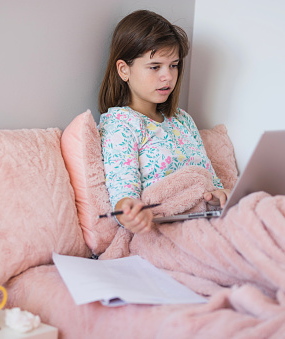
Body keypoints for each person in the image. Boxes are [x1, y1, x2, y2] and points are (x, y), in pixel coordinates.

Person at [98, 10, 230, 234]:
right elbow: (122, 193)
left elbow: (211, 181)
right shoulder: (120, 124)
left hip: (205, 222)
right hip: (164, 231)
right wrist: (129, 213)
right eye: (155, 66)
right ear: (124, 70)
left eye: (174, 65)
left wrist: (219, 196)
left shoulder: (182, 120)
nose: (168, 76)